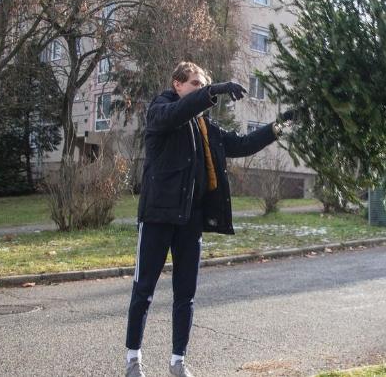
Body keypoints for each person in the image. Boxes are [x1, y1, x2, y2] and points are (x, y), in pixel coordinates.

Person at [124, 61, 297, 377]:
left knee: (185, 294)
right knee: (143, 289)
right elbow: (174, 115)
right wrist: (213, 90)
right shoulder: (160, 109)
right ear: (177, 84)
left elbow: (243, 144)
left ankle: (178, 362)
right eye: (195, 84)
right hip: (158, 217)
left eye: (202, 85)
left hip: (190, 220)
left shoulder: (206, 128)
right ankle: (133, 360)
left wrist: (282, 125)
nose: (200, 91)